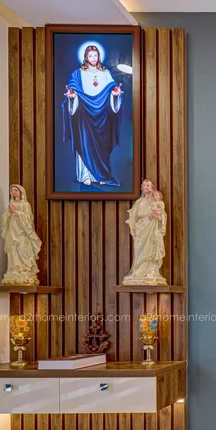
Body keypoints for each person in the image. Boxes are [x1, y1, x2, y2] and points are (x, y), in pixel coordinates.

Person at [62, 44, 123, 186]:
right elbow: (73, 91)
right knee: (84, 143)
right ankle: (85, 175)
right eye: (90, 56)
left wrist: (114, 94)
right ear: (85, 57)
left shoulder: (105, 73)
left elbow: (112, 90)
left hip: (102, 116)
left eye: (95, 55)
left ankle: (101, 175)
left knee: (101, 145)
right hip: (84, 115)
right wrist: (72, 96)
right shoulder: (77, 74)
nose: (93, 58)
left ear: (99, 56)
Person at [123, 179, 167, 285]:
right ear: (141, 188)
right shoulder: (139, 202)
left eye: (148, 185)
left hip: (152, 229)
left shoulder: (157, 202)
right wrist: (132, 228)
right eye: (144, 185)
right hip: (141, 229)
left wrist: (159, 216)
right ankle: (139, 271)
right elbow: (133, 216)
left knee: (152, 247)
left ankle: (151, 271)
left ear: (152, 187)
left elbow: (163, 215)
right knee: (140, 249)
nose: (145, 187)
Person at [1, 184, 42, 285]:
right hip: (12, 230)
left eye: (16, 190)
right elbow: (5, 217)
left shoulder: (25, 205)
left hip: (22, 231)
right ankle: (14, 269)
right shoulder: (11, 203)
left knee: (23, 248)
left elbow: (28, 217)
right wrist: (9, 212)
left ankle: (25, 269)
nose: (14, 192)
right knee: (13, 249)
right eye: (12, 191)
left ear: (21, 192)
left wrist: (16, 211)